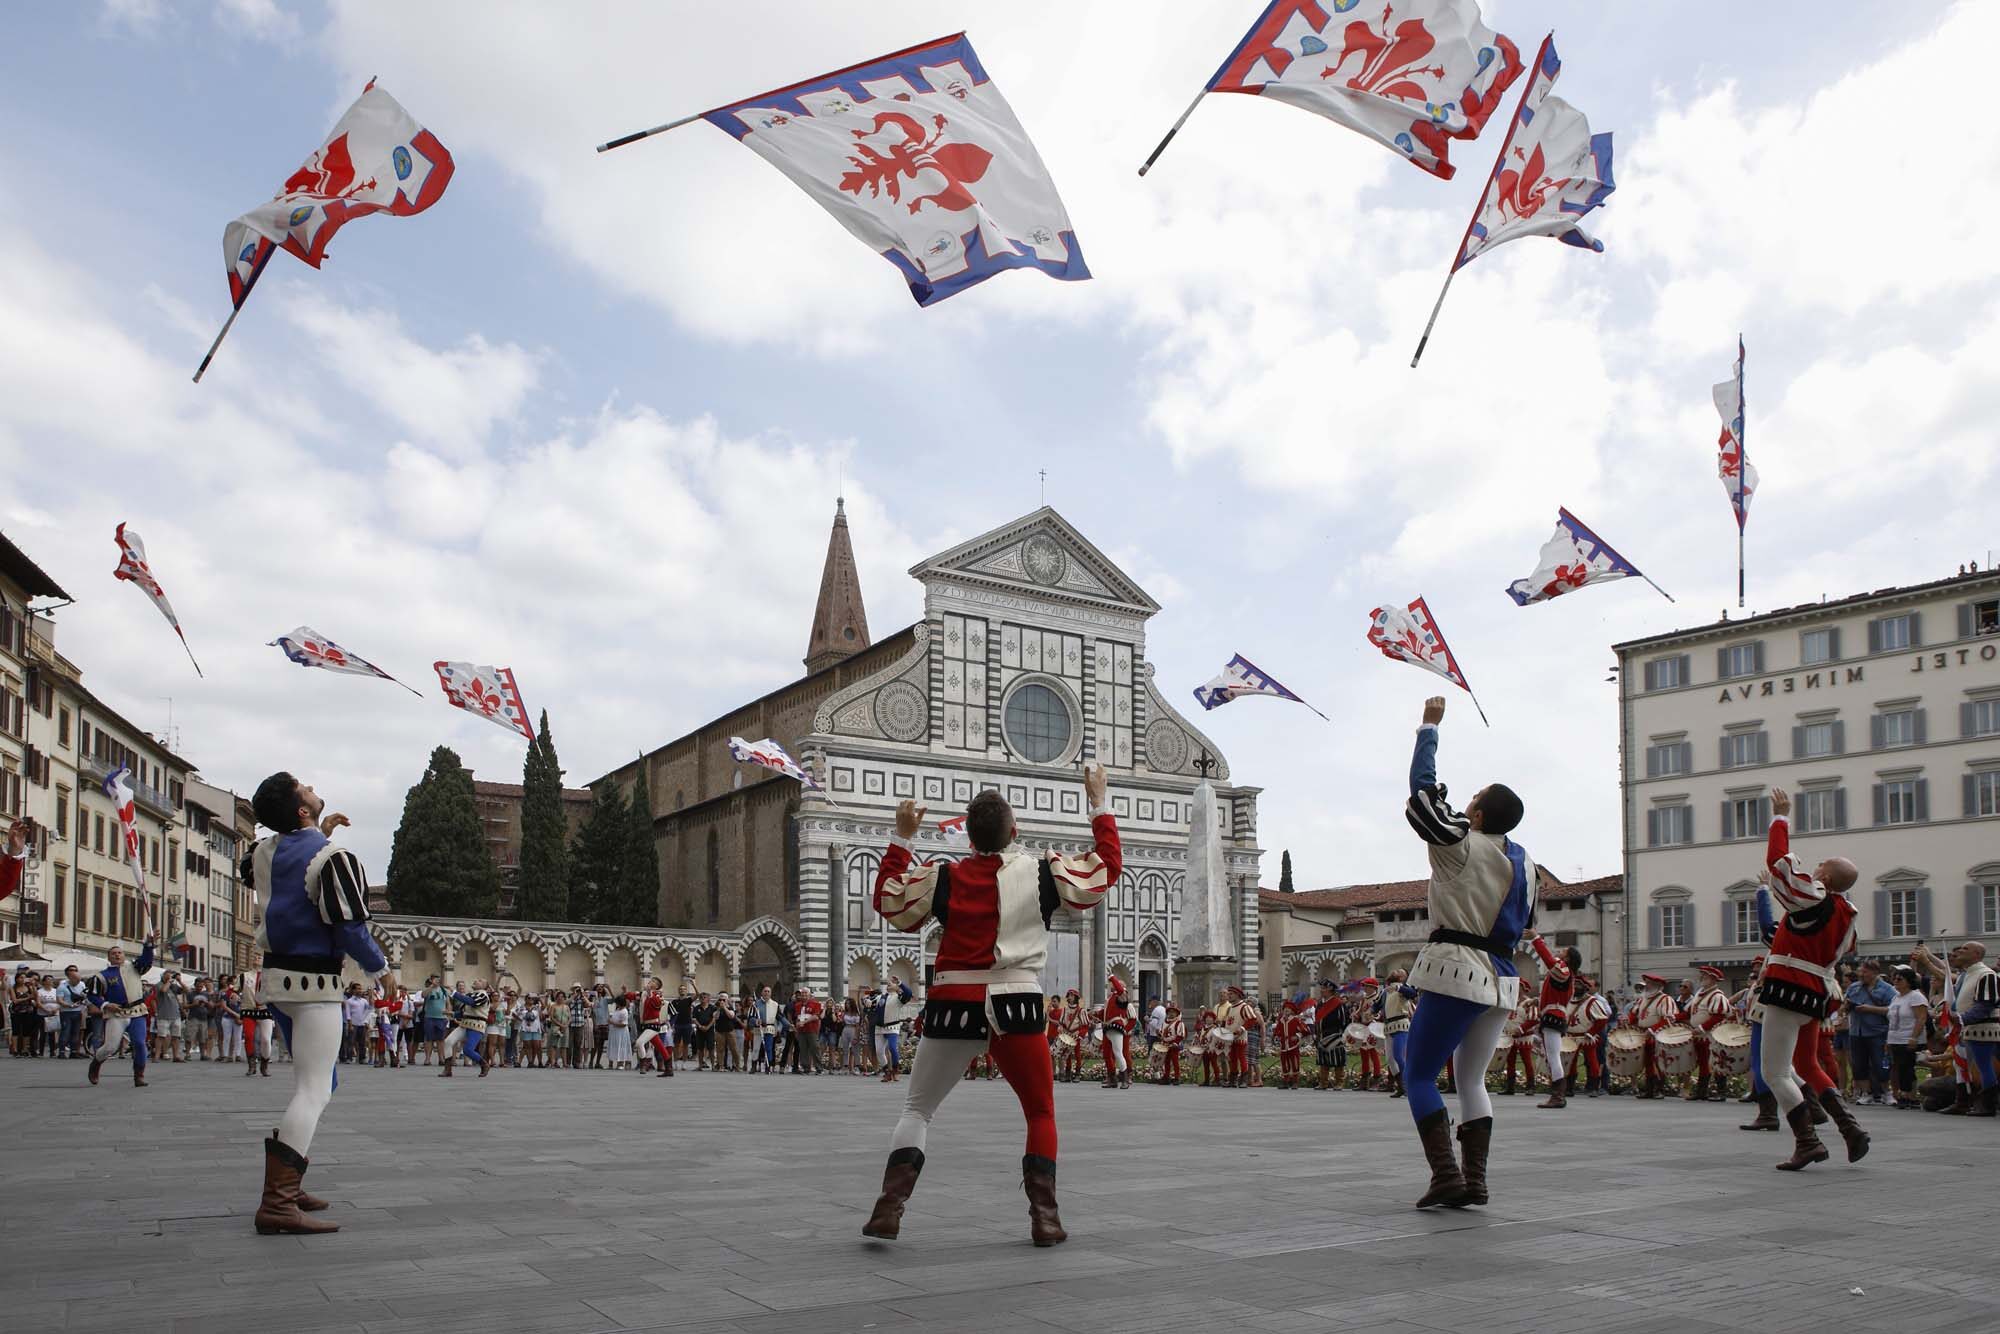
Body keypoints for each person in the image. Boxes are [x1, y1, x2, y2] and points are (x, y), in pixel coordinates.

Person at [861, 762, 1120, 1246]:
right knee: (1040, 1112)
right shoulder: (1043, 872)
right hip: (1017, 1002)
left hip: (953, 1001)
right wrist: (1099, 803)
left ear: (969, 838)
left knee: (918, 1110)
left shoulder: (945, 878)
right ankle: (1045, 1219)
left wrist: (901, 839)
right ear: (1014, 831)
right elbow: (1104, 870)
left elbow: (889, 901)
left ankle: (889, 1208)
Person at [1398, 695, 1533, 1210]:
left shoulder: (1462, 844)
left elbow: (1422, 795)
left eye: (1473, 799)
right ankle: (1475, 1181)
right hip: (1502, 979)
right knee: (1471, 1077)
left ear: (1476, 813)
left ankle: (1447, 1175)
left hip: (1458, 970)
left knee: (1417, 1074)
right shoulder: (1528, 865)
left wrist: (1428, 729)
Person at [239, 772, 390, 1234]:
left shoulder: (263, 853)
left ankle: (290, 1178)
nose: (310, 786)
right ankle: (278, 1202)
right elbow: (349, 928)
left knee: (316, 1083)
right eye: (303, 787)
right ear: (303, 809)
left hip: (276, 981)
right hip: (315, 985)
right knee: (314, 1090)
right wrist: (382, 971)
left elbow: (276, 871)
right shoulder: (334, 858)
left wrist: (313, 835)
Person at [1757, 787, 1869, 1170]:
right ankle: (1849, 1127)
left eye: (1821, 864)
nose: (1815, 866)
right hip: (1817, 993)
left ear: (1826, 875)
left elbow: (1778, 862)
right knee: (1807, 1065)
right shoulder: (1845, 914)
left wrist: (1781, 817)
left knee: (1774, 1071)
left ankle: (1807, 1141)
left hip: (1789, 989)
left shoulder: (1815, 896)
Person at [85, 927, 157, 1087]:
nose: (117, 955)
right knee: (110, 1046)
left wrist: (149, 945)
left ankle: (139, 1075)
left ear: (124, 955)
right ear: (108, 957)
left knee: (139, 1043)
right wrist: (105, 1004)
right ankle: (96, 1062)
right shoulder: (101, 976)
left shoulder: (135, 967)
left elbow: (146, 960)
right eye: (113, 953)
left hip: (137, 1011)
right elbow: (92, 995)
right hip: (116, 1013)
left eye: (120, 953)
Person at [1521, 931, 1578, 1108]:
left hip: (1553, 1017)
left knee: (1553, 1057)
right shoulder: (1566, 974)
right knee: (1552, 1056)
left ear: (1567, 959)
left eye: (1564, 951)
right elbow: (1555, 996)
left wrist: (1536, 940)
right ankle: (1558, 1094)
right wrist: (1536, 1000)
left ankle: (1558, 1096)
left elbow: (1548, 961)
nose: (1560, 952)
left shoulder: (1564, 970)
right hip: (1554, 1015)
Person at [1843, 961, 1894, 1104]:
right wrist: (1847, 1006)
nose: (1861, 975)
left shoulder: (1887, 989)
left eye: (1865, 972)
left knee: (1881, 1064)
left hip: (1877, 1032)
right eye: (1860, 971)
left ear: (1875, 972)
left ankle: (1886, 1092)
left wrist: (1870, 1009)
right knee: (1858, 1064)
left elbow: (1893, 1009)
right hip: (1856, 1031)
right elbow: (1845, 1004)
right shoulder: (1854, 987)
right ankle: (1866, 1093)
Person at [1884, 966, 1930, 1109]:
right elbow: (1891, 1019)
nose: (1895, 981)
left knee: (1907, 1067)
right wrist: (1888, 1040)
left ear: (1909, 981)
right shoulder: (1896, 997)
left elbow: (1921, 1018)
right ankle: (1903, 1093)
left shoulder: (1916, 996)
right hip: (1895, 1037)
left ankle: (1909, 1095)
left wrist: (1914, 1037)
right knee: (1897, 1066)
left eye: (1899, 979)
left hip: (1908, 1037)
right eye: (1894, 978)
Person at [1686, 965, 1733, 1102]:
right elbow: (1689, 1012)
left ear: (1713, 979)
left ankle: (1721, 1092)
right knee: (1703, 1063)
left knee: (1717, 1062)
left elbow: (1718, 1016)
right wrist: (1675, 1017)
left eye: (1704, 976)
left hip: (1712, 1035)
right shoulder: (1700, 994)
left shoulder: (1717, 996)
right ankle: (1702, 1091)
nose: (1701, 977)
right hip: (1700, 1035)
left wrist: (1701, 1028)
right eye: (1701, 975)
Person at [605, 994, 633, 1069]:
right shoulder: (617, 1010)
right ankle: (610, 1063)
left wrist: (612, 1023)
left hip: (621, 1032)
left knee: (621, 1046)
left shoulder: (624, 1011)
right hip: (614, 1031)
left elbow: (624, 1024)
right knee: (613, 1046)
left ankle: (620, 1063)